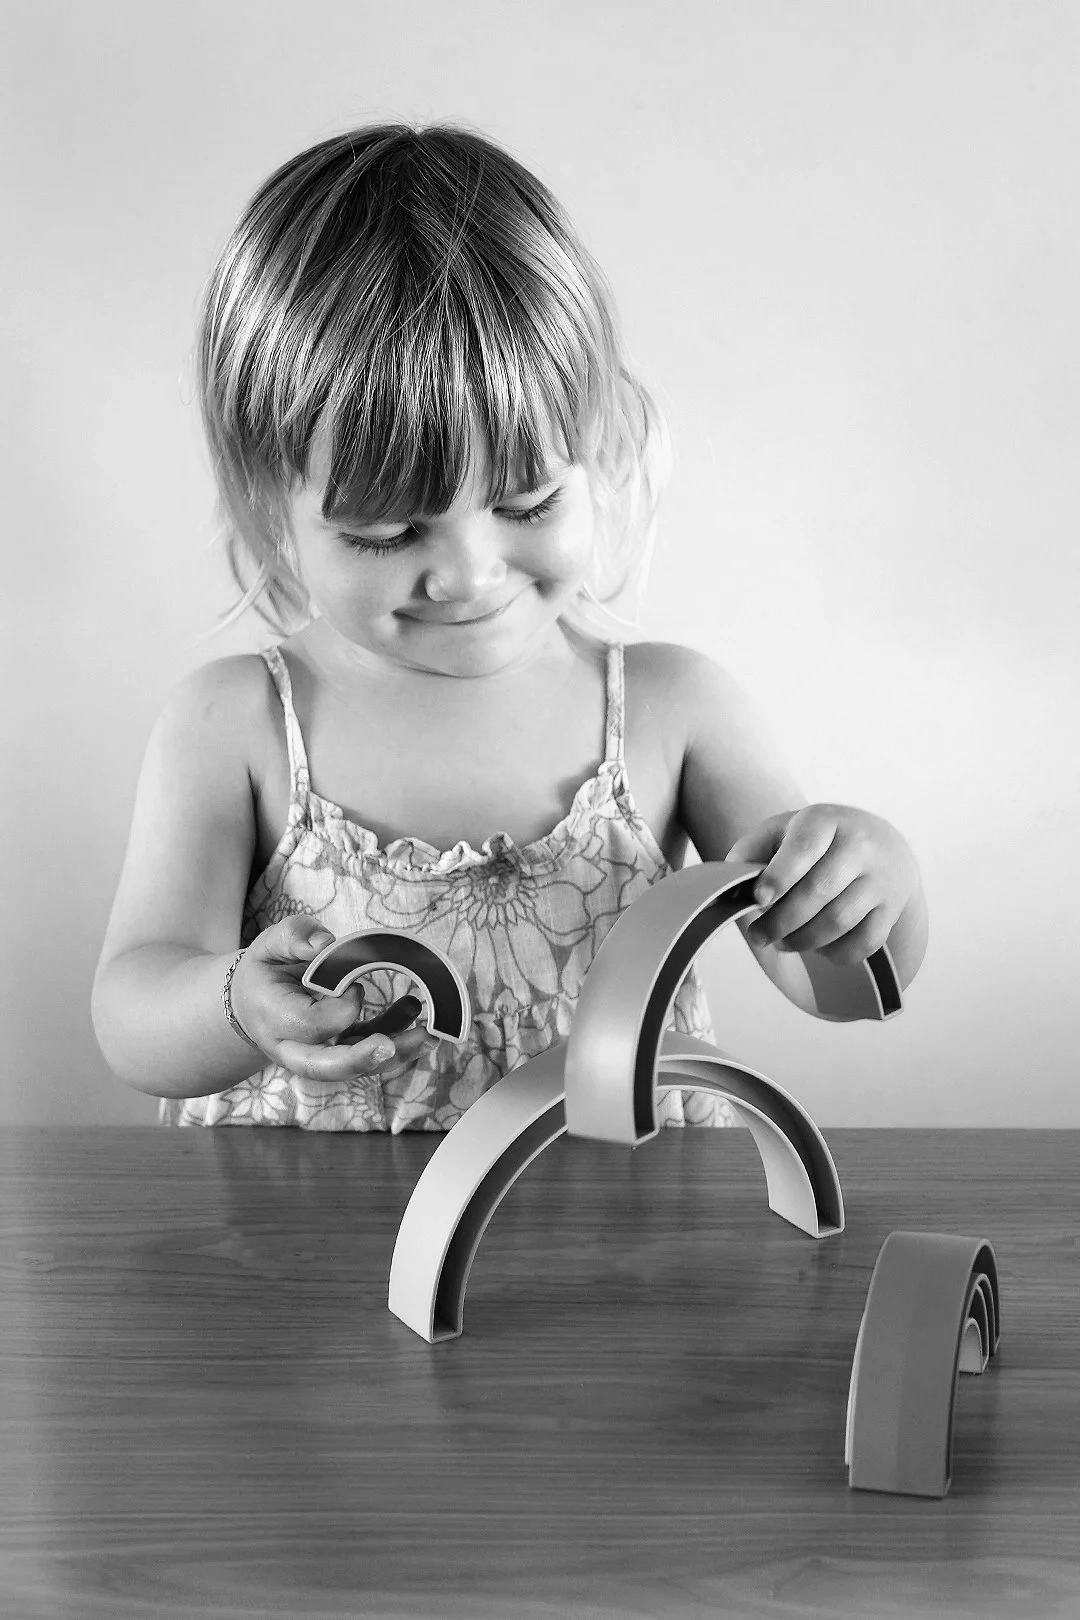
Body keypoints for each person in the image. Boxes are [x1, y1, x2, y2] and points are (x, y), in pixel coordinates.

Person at [91, 123, 928, 1131]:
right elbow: (133, 1012)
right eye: (386, 531)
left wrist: (872, 881)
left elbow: (835, 985)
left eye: (528, 504)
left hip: (617, 1244)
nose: (466, 573)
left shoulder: (675, 709)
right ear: (275, 505)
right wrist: (234, 1002)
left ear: (600, 446)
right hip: (305, 1249)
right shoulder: (234, 723)